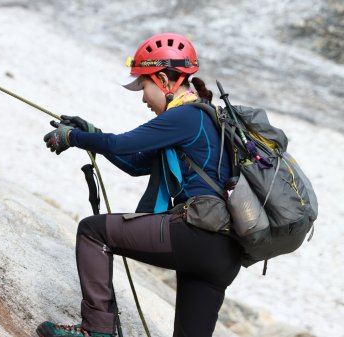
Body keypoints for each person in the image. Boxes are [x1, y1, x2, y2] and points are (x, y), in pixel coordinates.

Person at [36, 33, 242, 337]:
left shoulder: (186, 117)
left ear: (162, 79)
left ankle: (97, 330)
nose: (143, 98)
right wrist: (92, 133)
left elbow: (121, 145)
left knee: (93, 231)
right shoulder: (205, 120)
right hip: (223, 253)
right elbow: (134, 164)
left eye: (143, 86)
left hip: (197, 232)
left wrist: (74, 137)